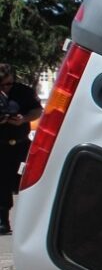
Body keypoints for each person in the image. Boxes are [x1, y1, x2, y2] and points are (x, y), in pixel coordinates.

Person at [0, 63, 44, 235]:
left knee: (26, 183)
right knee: (2, 184)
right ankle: (3, 221)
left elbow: (37, 110)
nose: (4, 88)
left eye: (7, 84)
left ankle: (34, 224)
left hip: (20, 145)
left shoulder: (23, 92)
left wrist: (23, 119)